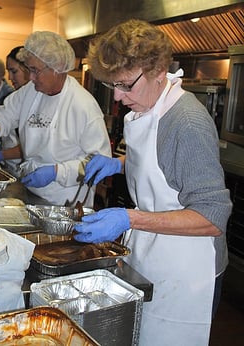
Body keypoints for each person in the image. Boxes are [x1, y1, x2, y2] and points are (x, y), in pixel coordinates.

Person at [73, 19, 232, 345]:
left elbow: (212, 216)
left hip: (188, 267)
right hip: (153, 249)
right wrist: (118, 165)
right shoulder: (149, 108)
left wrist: (130, 217)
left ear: (159, 71)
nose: (117, 98)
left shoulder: (187, 122)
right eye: (111, 86)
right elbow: (165, 165)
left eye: (125, 85)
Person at [0, 31, 112, 207]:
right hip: (31, 194)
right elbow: (5, 112)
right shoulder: (31, 91)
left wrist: (56, 172)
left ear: (57, 69)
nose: (30, 77)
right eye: (29, 69)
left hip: (66, 202)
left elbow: (99, 163)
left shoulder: (83, 105)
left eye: (35, 70)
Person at [0, 46, 30, 177]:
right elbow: (2, 116)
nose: (10, 77)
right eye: (9, 71)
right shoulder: (16, 97)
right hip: (10, 168)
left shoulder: (37, 100)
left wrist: (1, 155)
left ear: (28, 69)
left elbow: (33, 145)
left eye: (14, 71)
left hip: (23, 171)